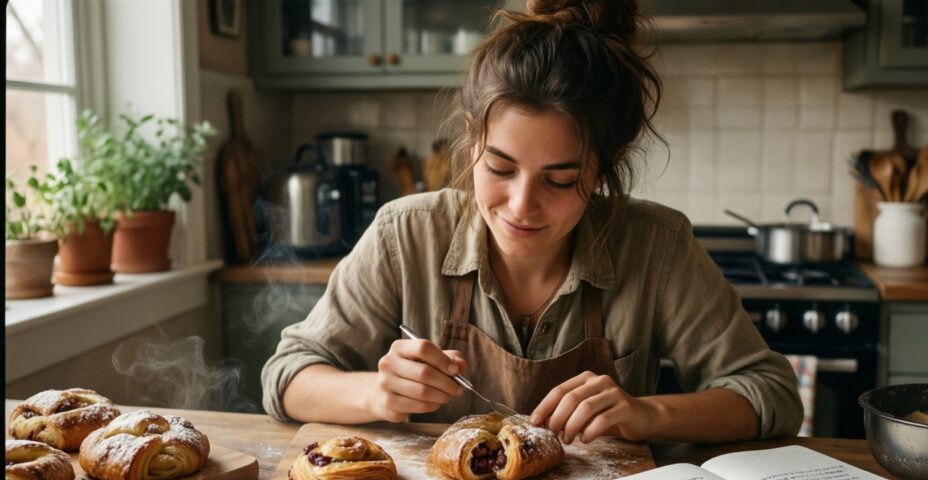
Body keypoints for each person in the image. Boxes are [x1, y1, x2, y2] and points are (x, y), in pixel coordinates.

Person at [262, 0, 802, 444]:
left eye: (560, 180)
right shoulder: (405, 235)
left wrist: (647, 414)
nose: (521, 205)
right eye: (499, 167)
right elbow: (286, 377)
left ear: (605, 166)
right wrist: (375, 394)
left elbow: (771, 395)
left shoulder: (656, 247)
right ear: (472, 136)